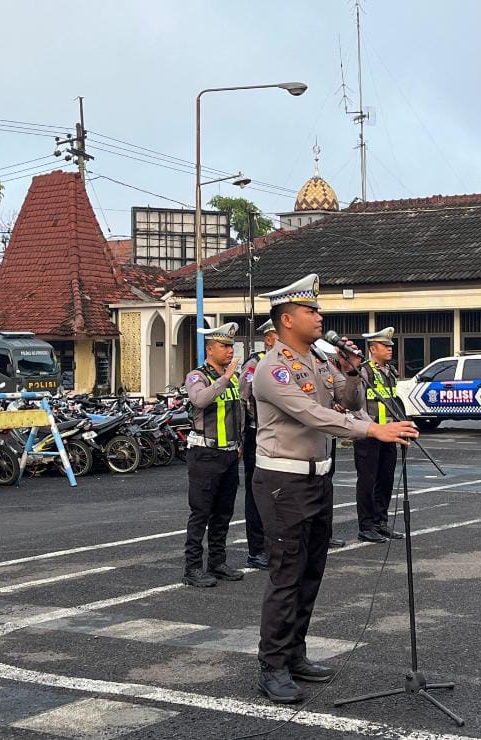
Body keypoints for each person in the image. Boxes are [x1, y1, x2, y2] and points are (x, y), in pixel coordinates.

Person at [251, 273, 419, 704]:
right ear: (287, 319)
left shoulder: (319, 360)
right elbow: (314, 415)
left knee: (311, 570)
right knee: (286, 573)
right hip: (283, 481)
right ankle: (272, 665)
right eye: (311, 311)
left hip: (318, 476)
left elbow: (346, 403)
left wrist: (351, 372)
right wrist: (373, 431)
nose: (319, 317)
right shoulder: (274, 368)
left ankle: (295, 653)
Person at [182, 322, 245, 588]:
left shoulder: (233, 378)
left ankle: (217, 562)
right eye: (224, 346)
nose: (229, 351)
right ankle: (192, 568)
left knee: (223, 512)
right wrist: (225, 377)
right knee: (201, 513)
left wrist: (240, 443)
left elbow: (240, 411)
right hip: (205, 453)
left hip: (229, 454)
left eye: (231, 346)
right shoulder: (198, 376)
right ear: (210, 349)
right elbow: (200, 400)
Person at [353, 327, 404, 543]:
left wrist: (401, 427)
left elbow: (392, 403)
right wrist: (371, 428)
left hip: (388, 434)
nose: (390, 349)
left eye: (391, 345)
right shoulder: (363, 372)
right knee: (367, 480)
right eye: (385, 346)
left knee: (386, 479)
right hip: (369, 435)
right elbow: (356, 405)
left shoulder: (390, 372)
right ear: (373, 349)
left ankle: (380, 521)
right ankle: (366, 525)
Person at [239, 318, 277, 569]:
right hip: (257, 433)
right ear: (268, 338)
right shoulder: (255, 363)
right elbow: (245, 399)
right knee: (257, 494)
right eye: (277, 334)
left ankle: (273, 545)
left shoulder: (285, 362)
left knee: (277, 494)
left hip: (278, 435)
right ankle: (256, 549)